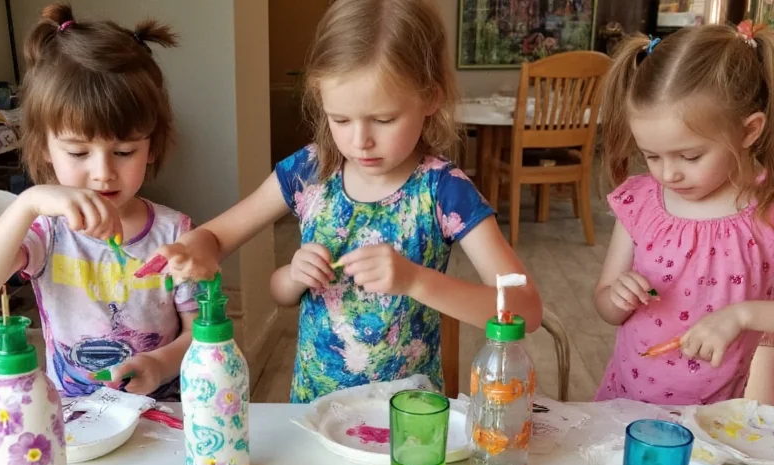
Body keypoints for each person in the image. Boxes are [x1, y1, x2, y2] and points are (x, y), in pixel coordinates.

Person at [157, 0, 542, 403]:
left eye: (384, 119)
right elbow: (217, 239)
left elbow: (526, 309)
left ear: (430, 98)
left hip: (406, 416)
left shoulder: (443, 190)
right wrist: (193, 249)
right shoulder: (309, 171)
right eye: (340, 120)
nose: (361, 141)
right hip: (314, 410)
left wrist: (415, 280)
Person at [0, 3, 196, 399]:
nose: (102, 172)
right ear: (45, 149)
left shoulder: (173, 233)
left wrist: (160, 365)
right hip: (75, 424)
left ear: (152, 148)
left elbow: (200, 332)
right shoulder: (45, 233)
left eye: (124, 152)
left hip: (165, 417)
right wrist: (27, 203)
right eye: (78, 153)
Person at [594, 22, 774, 405]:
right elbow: (605, 303)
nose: (668, 173)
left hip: (724, 419)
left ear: (748, 131)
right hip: (629, 404)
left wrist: (743, 316)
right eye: (652, 156)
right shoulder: (642, 202)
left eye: (690, 156)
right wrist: (617, 297)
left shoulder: (767, 206)